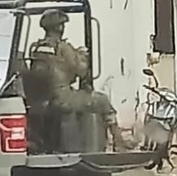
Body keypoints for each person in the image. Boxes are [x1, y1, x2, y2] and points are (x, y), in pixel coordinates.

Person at [28, 9, 131, 151]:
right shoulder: (63, 47)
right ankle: (118, 140)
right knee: (102, 100)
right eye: (62, 25)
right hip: (64, 97)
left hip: (43, 98)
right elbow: (81, 70)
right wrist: (81, 54)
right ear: (59, 27)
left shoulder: (36, 47)